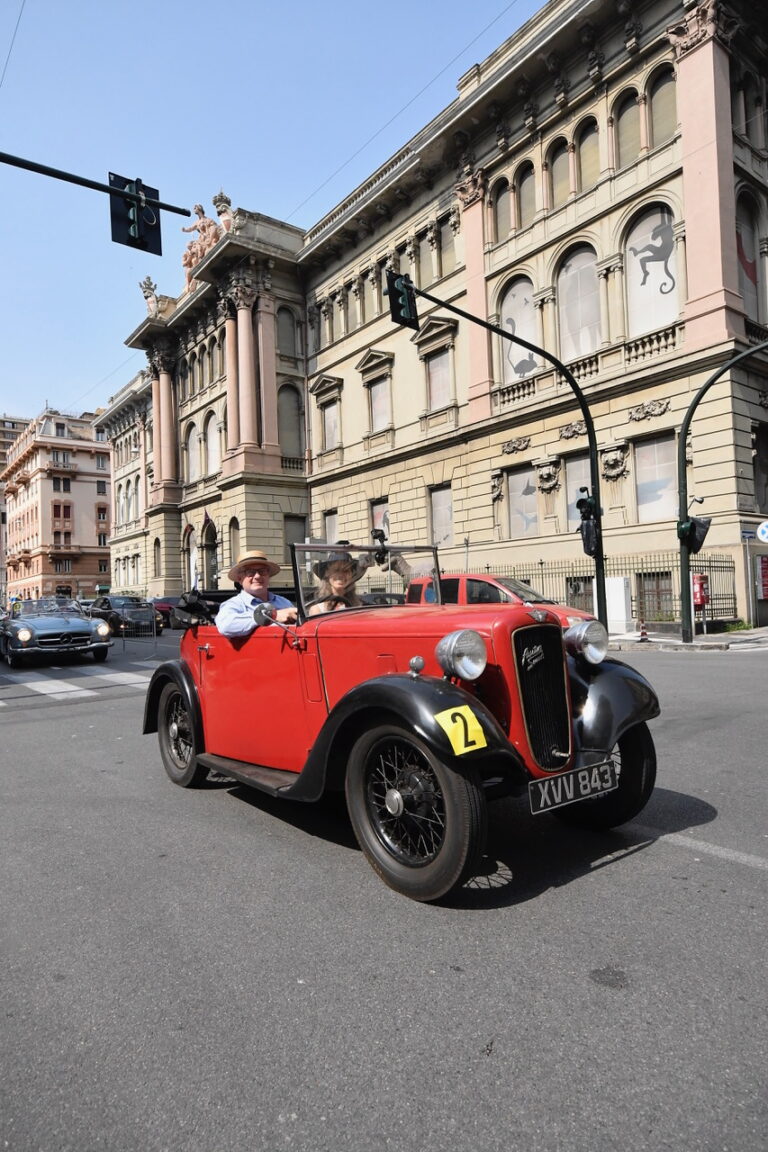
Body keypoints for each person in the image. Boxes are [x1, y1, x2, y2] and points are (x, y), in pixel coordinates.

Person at [215, 550, 296, 638]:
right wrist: (271, 616)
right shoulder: (234, 604)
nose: (257, 576)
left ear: (268, 576)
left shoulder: (284, 602)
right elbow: (226, 626)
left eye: (262, 571)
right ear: (240, 579)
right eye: (250, 572)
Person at [308, 546, 369, 615]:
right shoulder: (318, 609)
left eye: (345, 571)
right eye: (336, 570)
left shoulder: (359, 606)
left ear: (351, 575)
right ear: (327, 574)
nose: (340, 575)